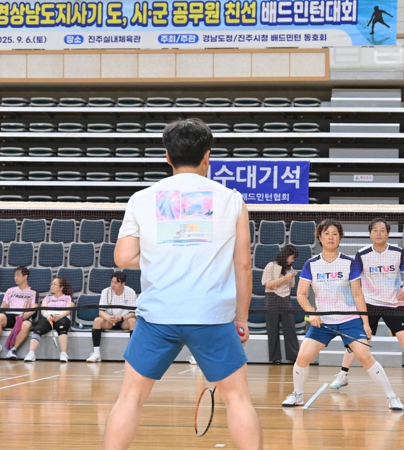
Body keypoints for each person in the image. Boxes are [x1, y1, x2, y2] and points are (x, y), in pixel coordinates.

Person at [102, 118, 262, 450]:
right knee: (237, 398)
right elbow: (243, 265)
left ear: (167, 156)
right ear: (207, 156)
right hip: (213, 317)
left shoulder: (142, 198)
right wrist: (242, 318)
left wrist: (163, 255)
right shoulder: (232, 199)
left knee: (130, 397)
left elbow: (123, 257)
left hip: (158, 317)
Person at [281, 219, 404, 411]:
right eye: (326, 233)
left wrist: (365, 323)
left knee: (364, 356)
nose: (330, 237)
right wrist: (311, 312)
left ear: (340, 238)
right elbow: (301, 294)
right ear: (320, 237)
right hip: (323, 321)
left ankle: (392, 397)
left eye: (335, 234)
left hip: (349, 320)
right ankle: (297, 394)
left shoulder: (349, 263)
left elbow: (357, 294)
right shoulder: (311, 264)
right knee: (303, 356)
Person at [330, 218, 404, 392]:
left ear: (388, 234)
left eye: (382, 230)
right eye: (375, 230)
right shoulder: (362, 254)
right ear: (370, 234)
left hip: (393, 302)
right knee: (359, 339)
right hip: (370, 302)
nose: (378, 233)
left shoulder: (397, 252)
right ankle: (343, 374)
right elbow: (354, 278)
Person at [86, 271, 138, 363]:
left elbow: (133, 313)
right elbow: (101, 312)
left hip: (124, 320)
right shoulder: (106, 292)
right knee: (97, 320)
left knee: (133, 321)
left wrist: (121, 318)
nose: (113, 285)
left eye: (116, 283)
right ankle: (96, 353)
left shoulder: (130, 292)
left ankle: (133, 354)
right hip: (109, 320)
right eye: (112, 282)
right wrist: (108, 318)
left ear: (123, 284)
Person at [262, 244, 300, 364]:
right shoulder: (271, 265)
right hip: (272, 299)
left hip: (285, 299)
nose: (292, 260)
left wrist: (290, 278)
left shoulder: (290, 269)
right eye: (292, 258)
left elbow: (292, 285)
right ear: (286, 256)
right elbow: (268, 284)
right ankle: (275, 358)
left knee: (290, 328)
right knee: (272, 329)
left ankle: (294, 356)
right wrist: (284, 279)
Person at [0, 266, 38, 360]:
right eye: (14, 276)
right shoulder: (10, 290)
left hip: (23, 316)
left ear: (25, 277)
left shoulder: (33, 292)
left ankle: (13, 350)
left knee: (26, 325)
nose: (15, 278)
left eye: (18, 275)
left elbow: (34, 308)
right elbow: (2, 306)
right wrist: (3, 306)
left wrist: (24, 316)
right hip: (10, 315)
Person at [23, 277, 74, 363]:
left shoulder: (67, 297)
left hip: (62, 317)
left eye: (54, 284)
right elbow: (43, 310)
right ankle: (31, 353)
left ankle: (63, 354)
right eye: (51, 284)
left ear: (61, 287)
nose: (52, 286)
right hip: (48, 317)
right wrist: (47, 316)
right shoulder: (47, 298)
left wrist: (59, 316)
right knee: (38, 328)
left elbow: (69, 309)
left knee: (62, 327)